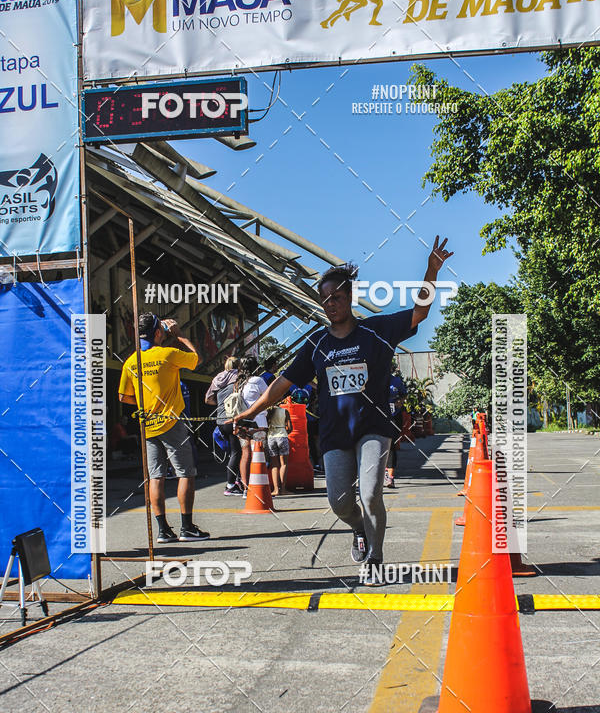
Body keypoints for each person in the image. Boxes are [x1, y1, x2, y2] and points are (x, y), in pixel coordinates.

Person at [232, 236, 453, 584]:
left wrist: (430, 272)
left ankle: (376, 559)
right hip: (335, 435)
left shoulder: (377, 331)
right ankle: (358, 528)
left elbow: (419, 312)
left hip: (374, 430)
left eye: (336, 297)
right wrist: (250, 411)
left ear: (350, 297)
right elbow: (283, 383)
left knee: (370, 493)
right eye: (325, 300)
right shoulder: (316, 344)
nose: (330, 304)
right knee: (338, 502)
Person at [118, 313, 210, 544]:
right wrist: (179, 335)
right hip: (171, 423)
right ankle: (187, 528)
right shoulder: (168, 354)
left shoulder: (131, 362)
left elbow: (123, 397)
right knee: (185, 473)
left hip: (147, 425)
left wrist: (145, 403)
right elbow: (196, 359)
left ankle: (163, 531)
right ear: (159, 333)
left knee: (155, 477)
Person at [205, 357, 243, 495]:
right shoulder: (238, 377)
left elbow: (207, 399)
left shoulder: (217, 379)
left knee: (234, 453)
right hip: (233, 419)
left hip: (220, 420)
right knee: (237, 452)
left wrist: (221, 404)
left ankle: (237, 480)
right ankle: (231, 485)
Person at [233, 356, 270, 494]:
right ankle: (259, 488)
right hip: (258, 422)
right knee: (259, 454)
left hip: (241, 423)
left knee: (245, 454)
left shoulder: (238, 383)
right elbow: (269, 397)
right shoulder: (258, 381)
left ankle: (245, 488)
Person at [384, 369, 408, 488]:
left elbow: (404, 394)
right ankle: (381, 472)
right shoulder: (373, 378)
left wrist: (400, 401)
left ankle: (390, 477)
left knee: (391, 445)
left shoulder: (396, 381)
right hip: (377, 417)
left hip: (394, 416)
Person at [267, 402, 293, 495]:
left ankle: (275, 490)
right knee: (284, 464)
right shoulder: (284, 411)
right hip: (282, 435)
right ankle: (283, 489)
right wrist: (285, 432)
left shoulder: (268, 411)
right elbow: (290, 428)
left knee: (274, 465)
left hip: (270, 437)